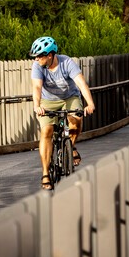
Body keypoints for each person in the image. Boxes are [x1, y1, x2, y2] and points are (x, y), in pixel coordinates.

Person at [30, 36, 96, 190]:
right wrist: (37, 105)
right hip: (48, 101)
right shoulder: (37, 66)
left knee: (76, 119)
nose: (37, 59)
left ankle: (70, 146)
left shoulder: (66, 62)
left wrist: (90, 103)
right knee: (46, 131)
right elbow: (37, 87)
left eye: (40, 56)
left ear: (50, 55)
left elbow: (81, 83)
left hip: (69, 97)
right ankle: (46, 173)